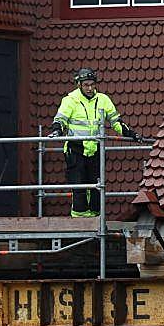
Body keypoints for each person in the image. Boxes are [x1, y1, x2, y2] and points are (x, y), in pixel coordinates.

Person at [47, 69, 134, 218]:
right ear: (79, 85)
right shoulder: (70, 100)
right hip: (76, 149)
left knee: (96, 187)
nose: (89, 88)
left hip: (95, 148)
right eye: (86, 85)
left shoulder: (103, 99)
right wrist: (57, 131)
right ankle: (80, 224)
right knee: (79, 186)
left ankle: (95, 220)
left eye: (92, 85)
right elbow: (60, 120)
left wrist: (130, 133)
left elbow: (116, 121)